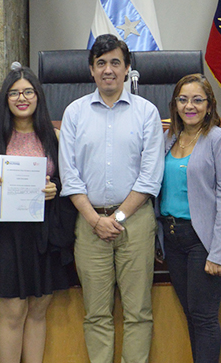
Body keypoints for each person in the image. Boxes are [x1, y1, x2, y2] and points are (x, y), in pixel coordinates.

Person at [59, 34, 164, 363]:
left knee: (138, 313)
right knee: (97, 314)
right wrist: (95, 220)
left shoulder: (147, 112)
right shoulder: (75, 113)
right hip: (90, 224)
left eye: (115, 63)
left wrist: (115, 219)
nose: (108, 70)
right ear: (91, 70)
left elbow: (150, 177)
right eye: (101, 63)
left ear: (127, 68)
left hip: (135, 222)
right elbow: (69, 174)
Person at [0, 63, 73, 363]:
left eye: (28, 91)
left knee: (39, 310)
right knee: (13, 312)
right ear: (5, 100)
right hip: (5, 234)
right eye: (14, 93)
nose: (22, 98)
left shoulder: (54, 136)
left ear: (38, 97)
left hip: (43, 231)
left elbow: (65, 182)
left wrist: (54, 188)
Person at [157, 73, 221, 363]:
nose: (189, 106)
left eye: (197, 100)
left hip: (206, 242)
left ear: (209, 106)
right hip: (174, 239)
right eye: (183, 100)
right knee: (192, 316)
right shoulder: (168, 137)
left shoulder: (220, 139)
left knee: (204, 317)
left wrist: (217, 253)